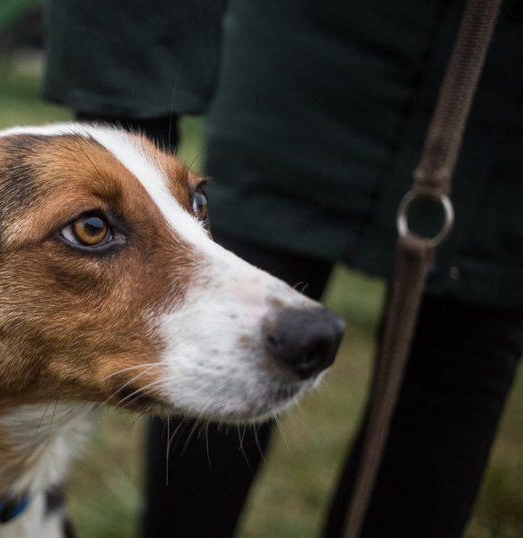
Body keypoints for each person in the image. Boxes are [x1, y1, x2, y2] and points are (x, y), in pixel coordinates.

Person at [42, 0, 523, 536]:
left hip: (505, 104)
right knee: (224, 344)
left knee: (462, 362)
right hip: (303, 58)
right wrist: (124, 117)